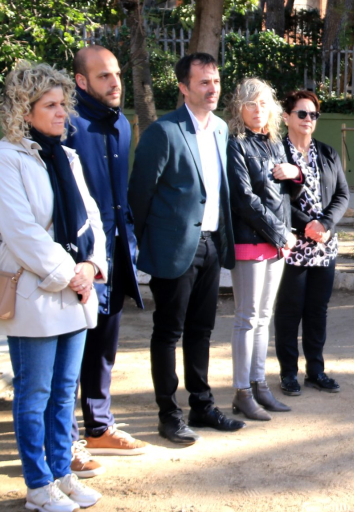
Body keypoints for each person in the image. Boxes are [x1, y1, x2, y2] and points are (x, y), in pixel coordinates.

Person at [0, 62, 107, 512]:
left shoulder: (67, 156)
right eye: (50, 105)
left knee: (63, 392)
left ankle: (61, 473)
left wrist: (92, 265)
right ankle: (38, 484)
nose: (61, 113)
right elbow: (20, 231)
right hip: (36, 292)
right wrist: (71, 273)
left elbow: (92, 218)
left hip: (74, 291)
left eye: (63, 104)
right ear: (25, 110)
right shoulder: (6, 159)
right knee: (34, 394)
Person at [129, 52, 243, 445]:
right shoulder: (163, 132)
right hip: (173, 250)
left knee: (202, 330)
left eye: (216, 81)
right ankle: (169, 414)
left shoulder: (221, 129)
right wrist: (144, 247)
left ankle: (202, 405)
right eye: (203, 82)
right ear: (183, 88)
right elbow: (139, 195)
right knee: (168, 333)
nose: (213, 89)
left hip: (210, 245)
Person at [64, 45, 149, 477]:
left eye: (116, 73)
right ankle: (67, 442)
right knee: (71, 352)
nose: (115, 82)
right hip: (80, 259)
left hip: (116, 253)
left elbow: (121, 192)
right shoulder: (67, 124)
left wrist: (128, 240)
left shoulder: (121, 125)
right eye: (103, 76)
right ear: (81, 81)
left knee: (104, 347)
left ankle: (99, 427)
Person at [225, 77, 300, 421]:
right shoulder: (235, 144)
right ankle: (242, 391)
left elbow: (286, 194)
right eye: (250, 103)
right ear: (239, 108)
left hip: (275, 243)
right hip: (250, 240)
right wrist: (280, 233)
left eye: (264, 103)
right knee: (247, 317)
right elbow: (243, 199)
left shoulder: (275, 143)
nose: (258, 109)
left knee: (264, 317)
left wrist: (295, 173)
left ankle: (259, 385)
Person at [273, 90, 349, 396]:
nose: (308, 119)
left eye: (313, 114)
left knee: (318, 310)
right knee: (290, 311)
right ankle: (288, 373)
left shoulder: (328, 153)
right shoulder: (276, 152)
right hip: (293, 246)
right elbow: (276, 199)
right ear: (286, 117)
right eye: (301, 113)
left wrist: (325, 225)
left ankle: (316, 371)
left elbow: (342, 195)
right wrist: (308, 225)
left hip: (324, 245)